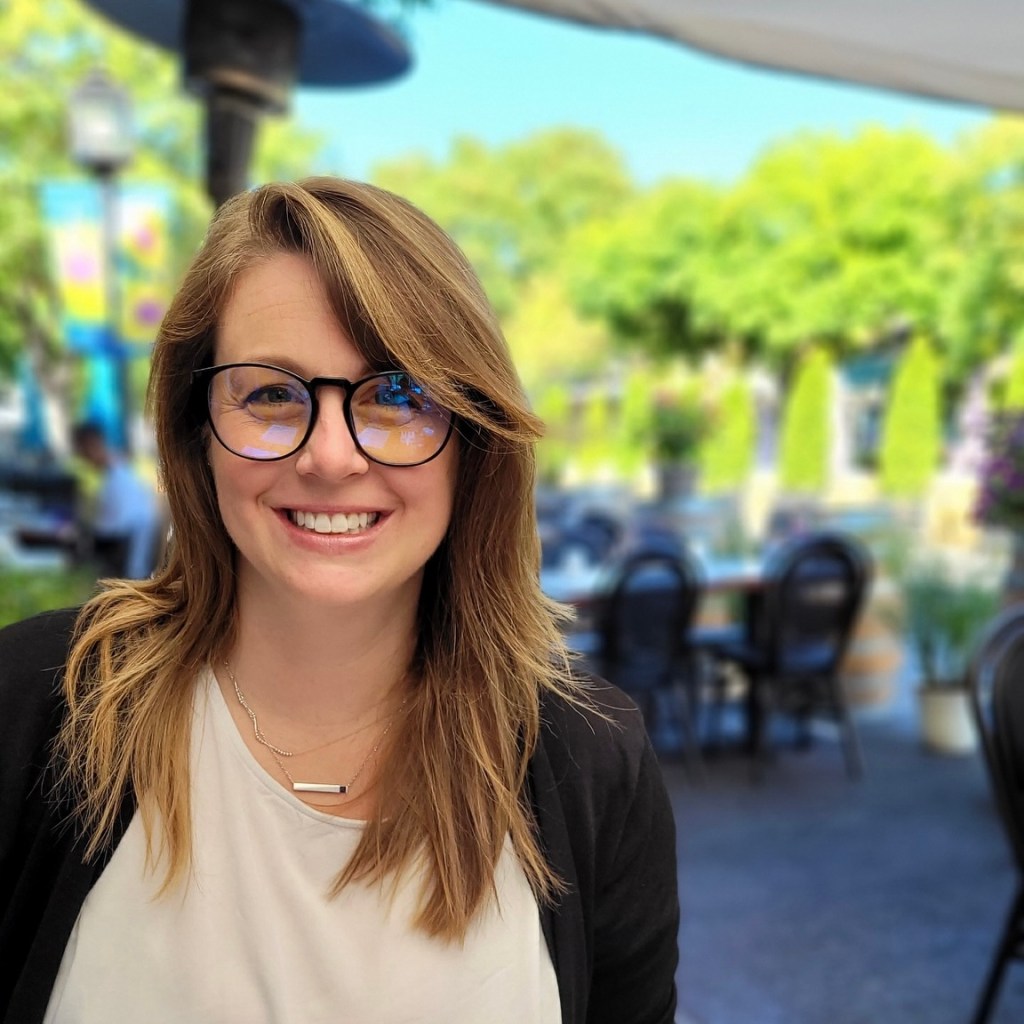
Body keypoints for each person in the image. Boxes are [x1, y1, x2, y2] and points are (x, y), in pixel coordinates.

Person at [0, 177, 679, 1024]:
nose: (329, 457)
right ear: (196, 431)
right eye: (271, 394)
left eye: (397, 395)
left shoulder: (593, 765)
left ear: (473, 439)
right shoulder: (32, 706)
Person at [70, 421, 162, 579]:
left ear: (92, 446)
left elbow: (118, 523)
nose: (83, 458)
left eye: (82, 451)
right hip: (132, 540)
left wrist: (88, 528)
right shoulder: (115, 469)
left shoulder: (118, 474)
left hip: (132, 549)